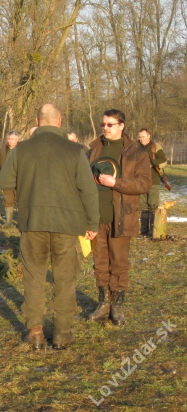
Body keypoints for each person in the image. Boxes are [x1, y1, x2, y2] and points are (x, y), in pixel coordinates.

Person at [0, 104, 99, 350]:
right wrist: (92, 223)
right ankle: (63, 334)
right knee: (65, 279)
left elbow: (6, 181)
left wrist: (21, 195)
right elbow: (88, 190)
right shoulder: (75, 150)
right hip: (67, 226)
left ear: (37, 120)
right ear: (60, 121)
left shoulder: (21, 149)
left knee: (34, 277)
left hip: (33, 223)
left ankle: (34, 332)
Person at [87, 110, 151, 326]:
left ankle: (117, 306)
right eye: (103, 124)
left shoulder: (136, 152)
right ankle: (103, 303)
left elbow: (144, 184)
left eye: (110, 124)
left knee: (120, 264)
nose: (105, 128)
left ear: (122, 126)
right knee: (100, 263)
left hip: (122, 217)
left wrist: (117, 183)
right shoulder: (93, 149)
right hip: (97, 216)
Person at [137, 128, 168, 237]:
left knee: (153, 205)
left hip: (153, 181)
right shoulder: (136, 147)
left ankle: (152, 230)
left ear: (149, 136)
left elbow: (163, 160)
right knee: (142, 206)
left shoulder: (156, 147)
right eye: (140, 137)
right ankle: (144, 229)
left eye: (143, 137)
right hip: (140, 181)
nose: (141, 139)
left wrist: (151, 163)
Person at [0, 130, 19, 228]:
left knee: (20, 200)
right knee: (8, 200)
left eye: (12, 139)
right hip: (6, 179)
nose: (10, 141)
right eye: (9, 139)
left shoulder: (22, 149)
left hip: (18, 179)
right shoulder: (3, 149)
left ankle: (21, 222)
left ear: (17, 139)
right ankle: (8, 222)